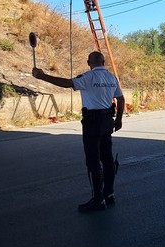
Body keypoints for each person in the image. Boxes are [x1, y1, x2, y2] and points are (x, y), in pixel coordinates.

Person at [32, 51, 125, 212]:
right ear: (103, 62)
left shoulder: (88, 78)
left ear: (89, 62)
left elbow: (67, 83)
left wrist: (43, 76)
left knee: (93, 161)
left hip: (92, 122)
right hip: (107, 121)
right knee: (108, 159)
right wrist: (119, 119)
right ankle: (109, 194)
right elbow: (121, 99)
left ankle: (98, 199)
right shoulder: (112, 78)